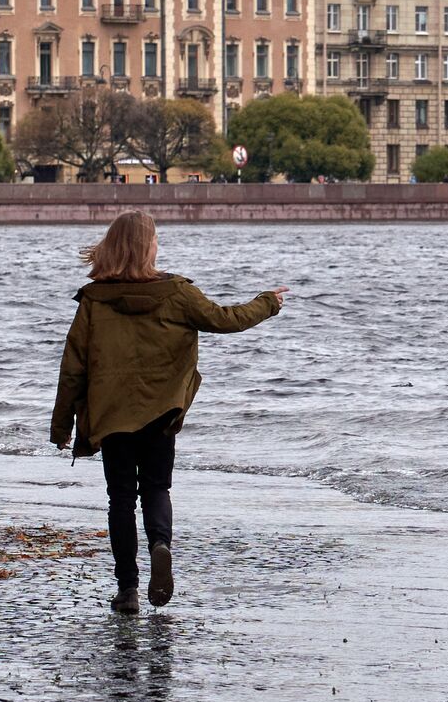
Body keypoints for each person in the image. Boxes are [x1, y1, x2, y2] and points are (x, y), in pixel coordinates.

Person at [49, 210, 286, 615]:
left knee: (120, 499)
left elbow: (73, 366)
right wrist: (268, 302)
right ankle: (160, 544)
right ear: (149, 246)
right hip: (162, 410)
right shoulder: (177, 292)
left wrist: (62, 425)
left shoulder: (93, 299)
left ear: (112, 246)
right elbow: (227, 320)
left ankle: (127, 590)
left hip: (111, 415)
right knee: (156, 488)